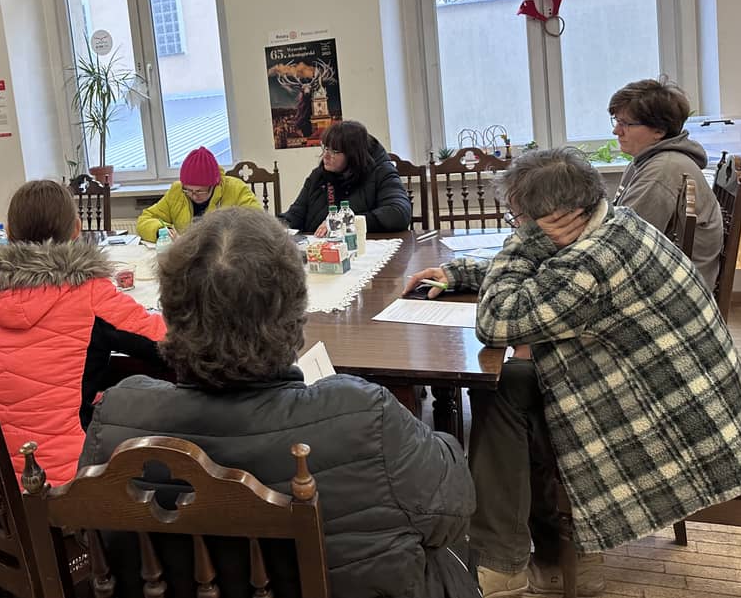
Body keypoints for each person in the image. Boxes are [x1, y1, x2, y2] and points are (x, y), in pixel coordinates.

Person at [81, 207, 479, 598]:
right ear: (295, 311)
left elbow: (92, 536)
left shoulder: (119, 415)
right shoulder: (362, 415)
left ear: (170, 313)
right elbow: (454, 511)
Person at [405, 148, 741, 597]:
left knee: (505, 391)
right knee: (511, 386)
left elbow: (496, 320)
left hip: (676, 430)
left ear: (558, 216)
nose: (517, 229)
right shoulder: (614, 223)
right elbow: (546, 272)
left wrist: (521, 243)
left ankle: (506, 565)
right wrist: (460, 272)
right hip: (693, 400)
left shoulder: (590, 264)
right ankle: (556, 561)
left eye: (519, 219)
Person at [0, 179, 166, 485]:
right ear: (77, 229)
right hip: (73, 484)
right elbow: (162, 339)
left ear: (8, 232)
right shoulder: (87, 290)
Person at [609, 77, 723, 290]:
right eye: (616, 121)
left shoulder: (663, 170)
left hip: (677, 290)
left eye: (626, 123)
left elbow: (624, 244)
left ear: (659, 131)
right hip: (673, 276)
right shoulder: (649, 161)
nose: (617, 131)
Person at [280, 120, 411, 235]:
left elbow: (398, 213)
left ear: (353, 155)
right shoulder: (318, 176)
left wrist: (344, 222)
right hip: (320, 249)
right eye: (325, 148)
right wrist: (273, 228)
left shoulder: (381, 172)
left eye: (334, 151)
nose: (325, 156)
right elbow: (294, 216)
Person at [136, 146, 262, 242]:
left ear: (215, 184)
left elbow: (258, 225)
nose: (193, 195)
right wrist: (161, 232)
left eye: (200, 191)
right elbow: (145, 219)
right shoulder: (178, 191)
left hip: (225, 256)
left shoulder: (236, 189)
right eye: (188, 190)